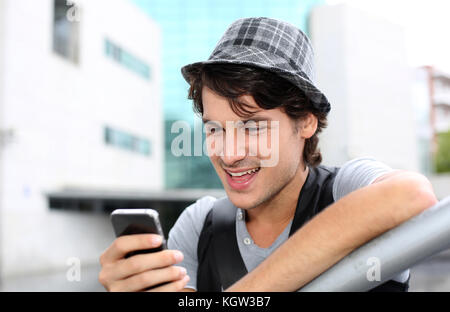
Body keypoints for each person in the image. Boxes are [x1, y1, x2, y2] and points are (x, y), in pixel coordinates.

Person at [98, 17, 437, 292]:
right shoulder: (198, 225)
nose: (229, 154)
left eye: (253, 127)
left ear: (305, 121)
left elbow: (411, 195)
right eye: (215, 129)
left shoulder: (346, 190)